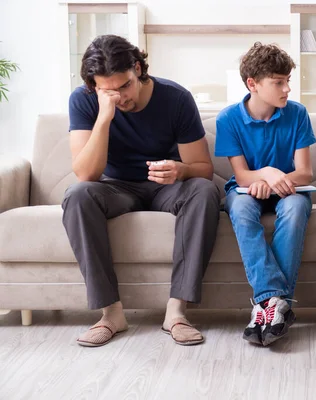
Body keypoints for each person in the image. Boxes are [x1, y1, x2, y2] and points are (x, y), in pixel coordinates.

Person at [62, 34, 221, 347]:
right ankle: (111, 314)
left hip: (167, 186)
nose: (120, 96)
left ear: (138, 69)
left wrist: (182, 170)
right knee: (77, 194)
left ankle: (176, 312)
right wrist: (105, 117)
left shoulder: (176, 98)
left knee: (204, 190)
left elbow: (203, 168)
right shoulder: (83, 100)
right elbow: (86, 173)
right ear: (94, 86)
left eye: (125, 86)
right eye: (109, 90)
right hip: (116, 187)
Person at [214, 42, 316, 346]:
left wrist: (271, 178)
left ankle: (266, 306)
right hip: (247, 190)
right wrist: (265, 175)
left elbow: (305, 173)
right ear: (252, 84)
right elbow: (243, 175)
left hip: (289, 190)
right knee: (242, 209)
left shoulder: (297, 114)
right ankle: (277, 302)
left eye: (288, 81)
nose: (287, 89)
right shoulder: (228, 118)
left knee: (296, 209)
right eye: (278, 82)